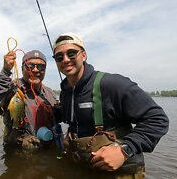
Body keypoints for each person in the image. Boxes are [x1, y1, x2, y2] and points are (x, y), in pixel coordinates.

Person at [52, 32, 169, 178]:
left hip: (119, 171)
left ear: (84, 55)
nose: (66, 59)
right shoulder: (65, 92)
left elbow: (157, 119)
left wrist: (125, 150)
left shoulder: (113, 84)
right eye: (59, 56)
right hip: (83, 167)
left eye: (71, 53)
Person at [0, 50, 61, 150]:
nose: (35, 70)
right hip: (18, 155)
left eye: (41, 66)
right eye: (30, 66)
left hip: (46, 152)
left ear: (45, 70)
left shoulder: (50, 93)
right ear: (22, 69)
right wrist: (5, 71)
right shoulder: (12, 89)